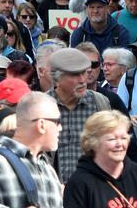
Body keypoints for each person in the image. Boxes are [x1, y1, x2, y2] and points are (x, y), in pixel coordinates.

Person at [47, 47, 112, 184]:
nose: (83, 80)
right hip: (54, 191)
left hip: (92, 189)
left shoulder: (99, 103)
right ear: (57, 79)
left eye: (84, 73)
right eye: (75, 75)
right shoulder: (42, 106)